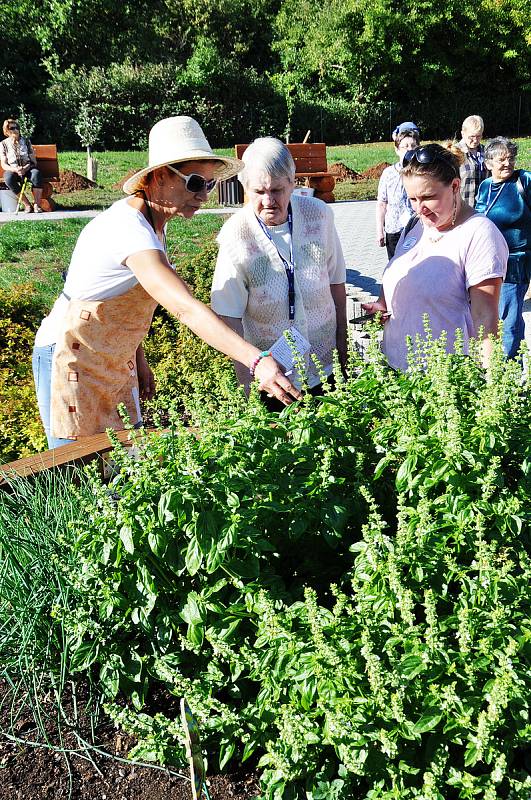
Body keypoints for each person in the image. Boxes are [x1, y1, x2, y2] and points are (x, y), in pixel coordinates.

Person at [33, 117, 299, 449]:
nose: (203, 195)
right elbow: (184, 307)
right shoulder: (129, 229)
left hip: (108, 357)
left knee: (121, 467)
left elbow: (116, 300)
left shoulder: (155, 223)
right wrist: (256, 360)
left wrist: (138, 359)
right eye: (194, 183)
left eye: (209, 185)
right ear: (159, 176)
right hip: (69, 357)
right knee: (77, 473)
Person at [211, 136, 347, 409]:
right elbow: (229, 316)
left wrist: (343, 349)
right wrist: (246, 389)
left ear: (292, 183)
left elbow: (336, 283)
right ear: (245, 188)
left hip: (325, 364)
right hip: (272, 377)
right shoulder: (236, 235)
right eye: (258, 192)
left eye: (277, 190)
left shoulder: (318, 215)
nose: (268, 200)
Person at [362, 143, 508, 372]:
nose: (419, 209)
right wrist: (382, 303)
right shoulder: (415, 226)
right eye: (412, 199)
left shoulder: (479, 233)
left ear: (455, 186)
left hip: (445, 383)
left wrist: (492, 389)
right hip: (398, 375)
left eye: (428, 197)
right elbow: (396, 270)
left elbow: (485, 320)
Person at [475, 137, 531, 359]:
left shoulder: (523, 181)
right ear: (488, 163)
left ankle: (511, 374)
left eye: (511, 158)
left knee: (509, 321)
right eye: (501, 159)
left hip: (515, 264)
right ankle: (491, 365)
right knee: (489, 319)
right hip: (488, 264)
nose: (508, 163)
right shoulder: (485, 186)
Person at [376, 127, 419, 259]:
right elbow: (382, 203)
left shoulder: (422, 172)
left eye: (413, 146)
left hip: (416, 227)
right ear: (397, 150)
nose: (409, 149)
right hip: (394, 229)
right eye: (405, 146)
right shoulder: (388, 173)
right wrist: (379, 231)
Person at [0, 118, 43, 212]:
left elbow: (33, 162)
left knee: (36, 174)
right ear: (7, 131)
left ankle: (37, 205)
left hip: (28, 168)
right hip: (14, 170)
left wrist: (25, 168)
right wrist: (15, 170)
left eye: (17, 127)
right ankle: (27, 205)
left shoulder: (26, 141)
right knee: (8, 178)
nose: (15, 130)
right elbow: (3, 164)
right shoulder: (3, 144)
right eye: (12, 128)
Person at [458, 115, 489, 208]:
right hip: (462, 206)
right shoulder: (455, 152)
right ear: (463, 134)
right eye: (471, 136)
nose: (475, 140)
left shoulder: (487, 152)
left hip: (482, 205)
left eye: (479, 136)